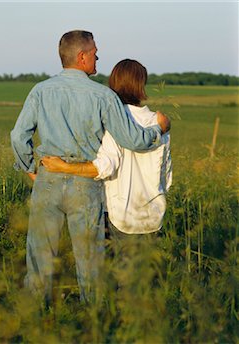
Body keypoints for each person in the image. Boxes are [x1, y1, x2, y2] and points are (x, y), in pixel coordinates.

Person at [10, 30, 171, 303]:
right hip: (85, 182)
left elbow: (18, 136)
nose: (98, 57)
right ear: (82, 56)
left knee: (40, 254)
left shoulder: (40, 90)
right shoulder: (103, 96)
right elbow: (133, 140)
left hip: (48, 176)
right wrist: (159, 129)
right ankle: (92, 318)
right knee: (89, 259)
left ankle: (35, 316)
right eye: (95, 53)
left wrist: (30, 169)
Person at [42, 59, 172, 239]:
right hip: (154, 217)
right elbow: (166, 177)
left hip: (120, 218)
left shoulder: (112, 120)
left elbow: (105, 167)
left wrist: (62, 167)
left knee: (117, 267)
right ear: (142, 84)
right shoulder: (160, 122)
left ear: (114, 83)